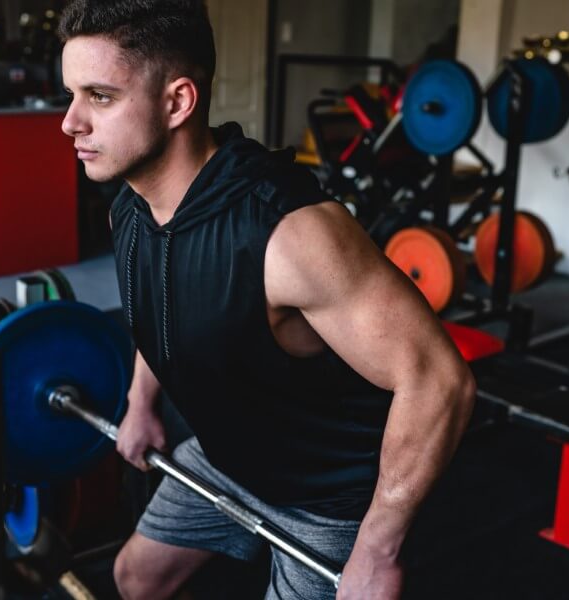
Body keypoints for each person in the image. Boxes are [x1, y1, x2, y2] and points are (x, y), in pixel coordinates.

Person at [57, 1, 475, 598]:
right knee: (134, 579)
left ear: (177, 101)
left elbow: (438, 380)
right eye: (71, 94)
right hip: (230, 452)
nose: (70, 122)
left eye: (99, 96)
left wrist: (378, 550)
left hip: (327, 496)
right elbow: (161, 303)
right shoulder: (129, 204)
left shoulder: (288, 233)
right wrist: (140, 400)